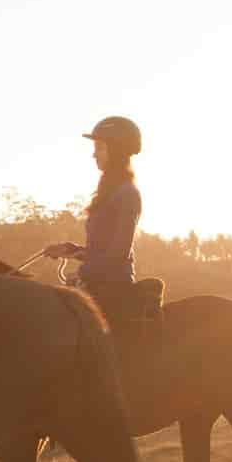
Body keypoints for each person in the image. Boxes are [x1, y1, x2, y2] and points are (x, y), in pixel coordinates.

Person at [43, 116, 143, 327]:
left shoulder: (128, 194)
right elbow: (100, 252)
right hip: (96, 282)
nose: (94, 154)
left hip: (113, 288)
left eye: (99, 147)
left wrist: (81, 272)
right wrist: (70, 250)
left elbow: (118, 254)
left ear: (115, 150)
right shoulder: (110, 192)